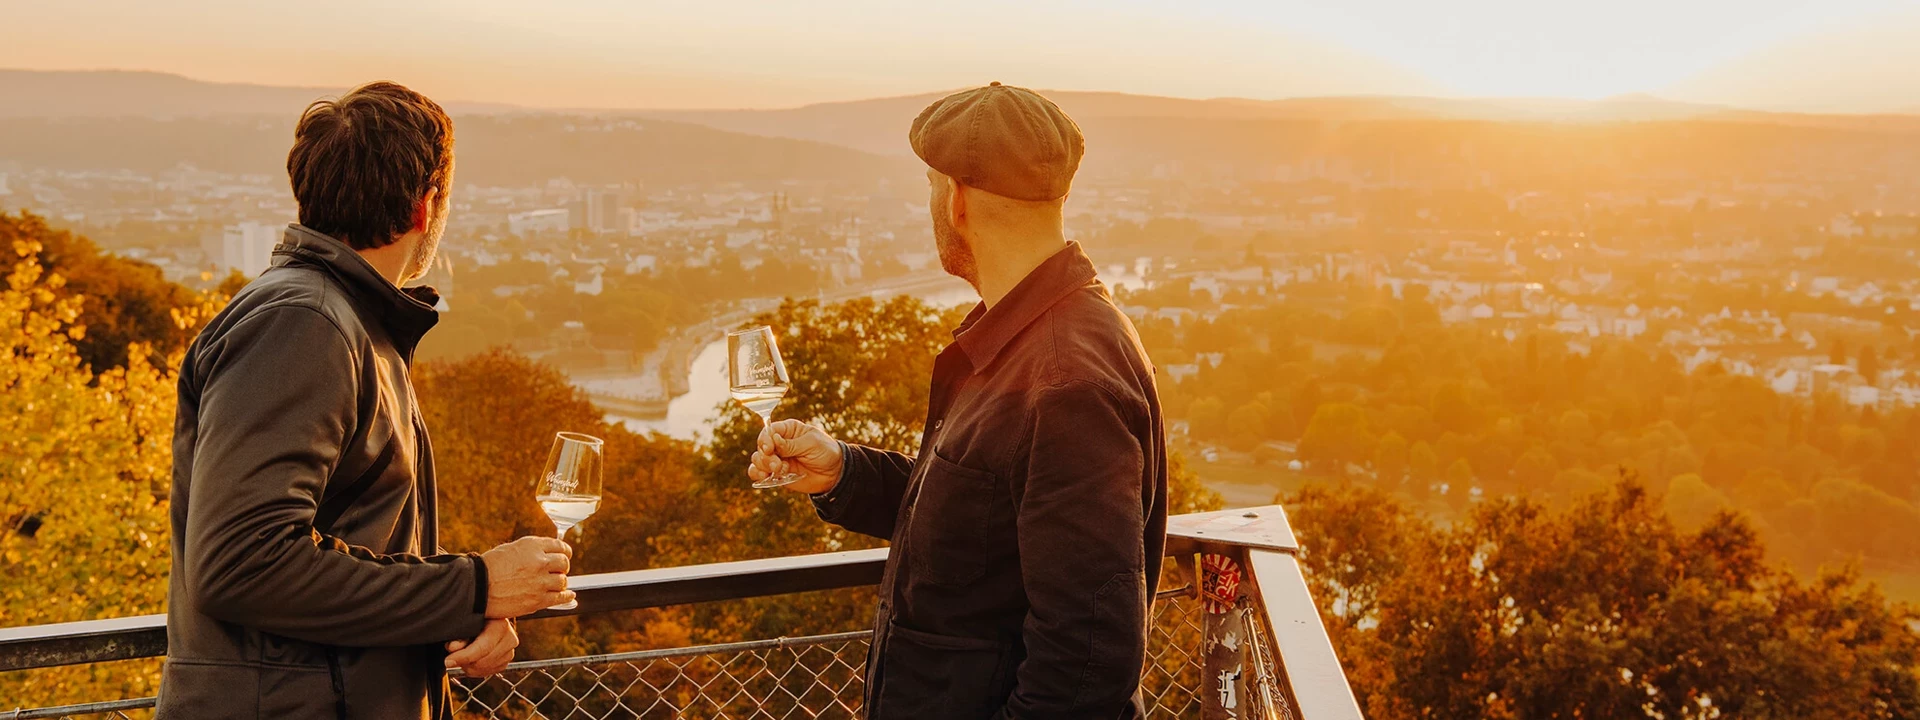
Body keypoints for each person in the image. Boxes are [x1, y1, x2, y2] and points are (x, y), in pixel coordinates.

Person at [751, 82, 1170, 720]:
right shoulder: (1025, 337)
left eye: (930, 187)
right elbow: (981, 526)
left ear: (957, 198)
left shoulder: (1065, 381)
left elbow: (1087, 659)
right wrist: (844, 471)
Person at [155, 82, 573, 720]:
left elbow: (345, 541)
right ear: (424, 207)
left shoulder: (341, 319)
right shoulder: (304, 323)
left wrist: (460, 611)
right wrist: (477, 584)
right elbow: (243, 563)